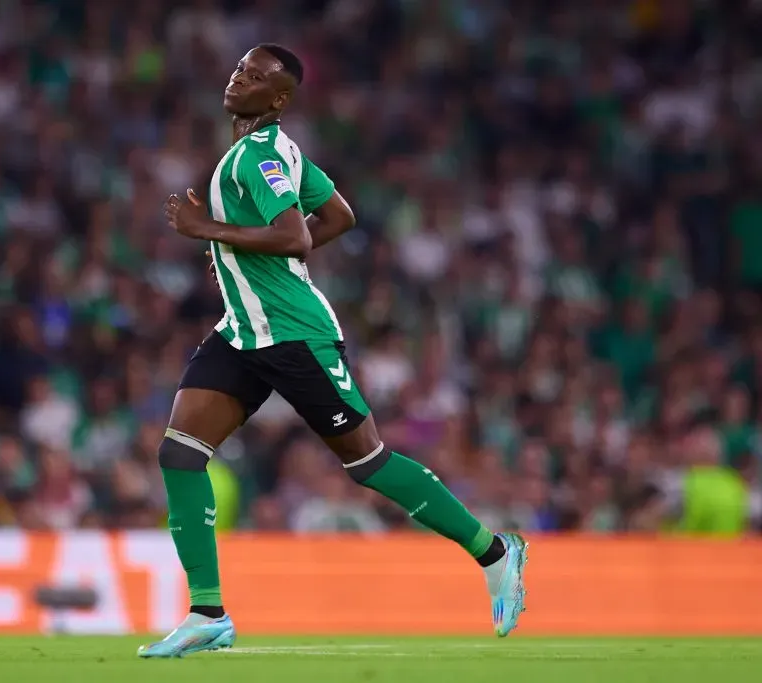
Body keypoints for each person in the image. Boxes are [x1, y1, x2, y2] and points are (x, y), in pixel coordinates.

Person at [139, 44, 528, 659]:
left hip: (294, 334)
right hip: (243, 330)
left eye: (256, 77)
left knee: (365, 462)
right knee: (180, 454)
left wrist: (207, 231)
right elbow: (339, 216)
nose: (239, 78)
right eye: (240, 68)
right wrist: (255, 261)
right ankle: (207, 612)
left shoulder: (263, 153)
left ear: (279, 100)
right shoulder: (273, 153)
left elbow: (295, 232)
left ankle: (496, 553)